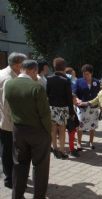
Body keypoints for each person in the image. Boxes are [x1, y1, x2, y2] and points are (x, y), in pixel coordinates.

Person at [5, 60, 51, 199]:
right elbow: (45, 113)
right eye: (35, 73)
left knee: (19, 164)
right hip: (37, 131)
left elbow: (7, 107)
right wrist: (48, 132)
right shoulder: (36, 88)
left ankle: (16, 196)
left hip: (18, 130)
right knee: (40, 166)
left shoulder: (9, 84)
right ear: (33, 70)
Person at [0, 52, 27, 189]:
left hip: (4, 120)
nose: (25, 67)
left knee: (7, 150)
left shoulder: (5, 72)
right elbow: (7, 105)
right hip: (8, 123)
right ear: (17, 65)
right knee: (8, 152)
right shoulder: (8, 79)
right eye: (24, 64)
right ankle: (10, 179)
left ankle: (11, 176)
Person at [47, 57, 75, 159]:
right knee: (62, 130)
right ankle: (62, 150)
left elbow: (47, 94)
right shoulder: (66, 80)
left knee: (53, 129)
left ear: (54, 67)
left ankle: (55, 148)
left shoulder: (49, 79)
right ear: (64, 67)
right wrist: (71, 112)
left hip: (52, 107)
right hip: (63, 108)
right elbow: (69, 98)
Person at [73, 64, 100, 150]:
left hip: (94, 107)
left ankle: (91, 142)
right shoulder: (79, 81)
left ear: (91, 73)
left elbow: (100, 94)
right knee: (80, 126)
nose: (85, 76)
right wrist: (77, 99)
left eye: (87, 74)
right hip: (82, 107)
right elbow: (74, 93)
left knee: (92, 126)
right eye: (84, 74)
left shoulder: (97, 82)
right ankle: (79, 143)